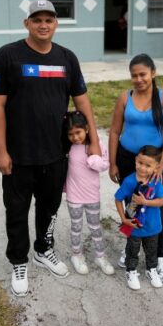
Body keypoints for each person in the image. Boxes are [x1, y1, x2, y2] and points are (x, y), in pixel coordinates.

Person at [0, 0, 101, 297]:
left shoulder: (67, 59)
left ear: (56, 24)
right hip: (19, 155)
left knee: (49, 209)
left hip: (55, 154)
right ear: (27, 23)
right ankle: (19, 261)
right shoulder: (8, 56)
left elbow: (82, 101)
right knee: (16, 211)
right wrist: (1, 150)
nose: (43, 24)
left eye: (49, 19)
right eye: (36, 19)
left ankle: (43, 249)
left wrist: (95, 142)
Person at [108, 53, 163, 284]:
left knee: (157, 209)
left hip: (154, 165)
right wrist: (112, 162)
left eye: (143, 74)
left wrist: (161, 162)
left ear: (153, 73)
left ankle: (159, 256)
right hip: (128, 159)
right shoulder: (124, 97)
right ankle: (131, 250)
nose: (138, 79)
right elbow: (115, 131)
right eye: (134, 75)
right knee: (132, 206)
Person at [63, 111, 114, 276]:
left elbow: (105, 165)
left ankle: (100, 256)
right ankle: (76, 255)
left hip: (92, 195)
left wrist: (94, 160)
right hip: (74, 196)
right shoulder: (68, 147)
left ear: (86, 129)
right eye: (70, 134)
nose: (75, 137)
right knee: (76, 226)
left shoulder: (96, 145)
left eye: (78, 132)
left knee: (95, 226)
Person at [114, 145, 163, 290]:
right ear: (136, 160)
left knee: (152, 250)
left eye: (148, 165)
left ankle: (152, 270)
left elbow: (161, 201)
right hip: (134, 226)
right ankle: (131, 271)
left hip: (152, 226)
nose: (142, 168)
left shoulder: (156, 182)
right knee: (132, 250)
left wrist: (145, 202)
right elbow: (118, 199)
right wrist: (124, 220)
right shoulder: (130, 181)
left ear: (156, 167)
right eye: (140, 163)